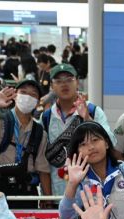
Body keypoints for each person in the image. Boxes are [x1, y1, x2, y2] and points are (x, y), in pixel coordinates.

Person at [60, 121, 124, 219]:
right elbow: (66, 215)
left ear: (107, 143)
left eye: (95, 140)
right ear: (78, 151)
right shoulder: (81, 181)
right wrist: (72, 183)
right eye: (83, 144)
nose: (91, 147)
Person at [0, 81, 51, 199]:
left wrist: (48, 201)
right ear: (15, 95)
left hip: (27, 192)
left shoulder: (39, 132)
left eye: (33, 95)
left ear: (38, 102)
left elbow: (43, 170)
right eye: (23, 92)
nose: (27, 97)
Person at [43, 63, 115, 195]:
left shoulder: (93, 110)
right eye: (58, 81)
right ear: (52, 86)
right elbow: (42, 159)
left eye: (69, 80)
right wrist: (47, 197)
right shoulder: (46, 117)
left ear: (77, 82)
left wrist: (87, 118)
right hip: (58, 191)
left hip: (90, 191)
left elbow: (110, 141)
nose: (64, 84)